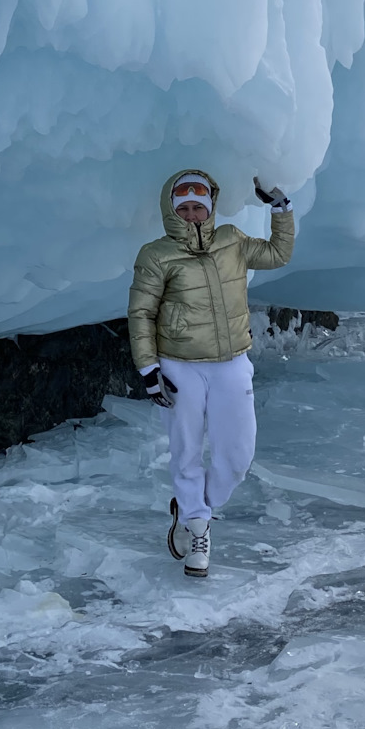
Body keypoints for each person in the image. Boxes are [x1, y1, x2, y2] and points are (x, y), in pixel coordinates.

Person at [128, 170, 294, 578]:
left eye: (198, 207)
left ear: (210, 207)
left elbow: (277, 254)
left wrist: (280, 207)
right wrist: (149, 368)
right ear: (172, 210)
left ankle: (190, 509)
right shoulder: (156, 254)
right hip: (179, 364)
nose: (191, 214)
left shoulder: (232, 241)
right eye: (182, 207)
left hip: (232, 361)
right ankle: (198, 531)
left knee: (237, 456)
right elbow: (141, 313)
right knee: (186, 451)